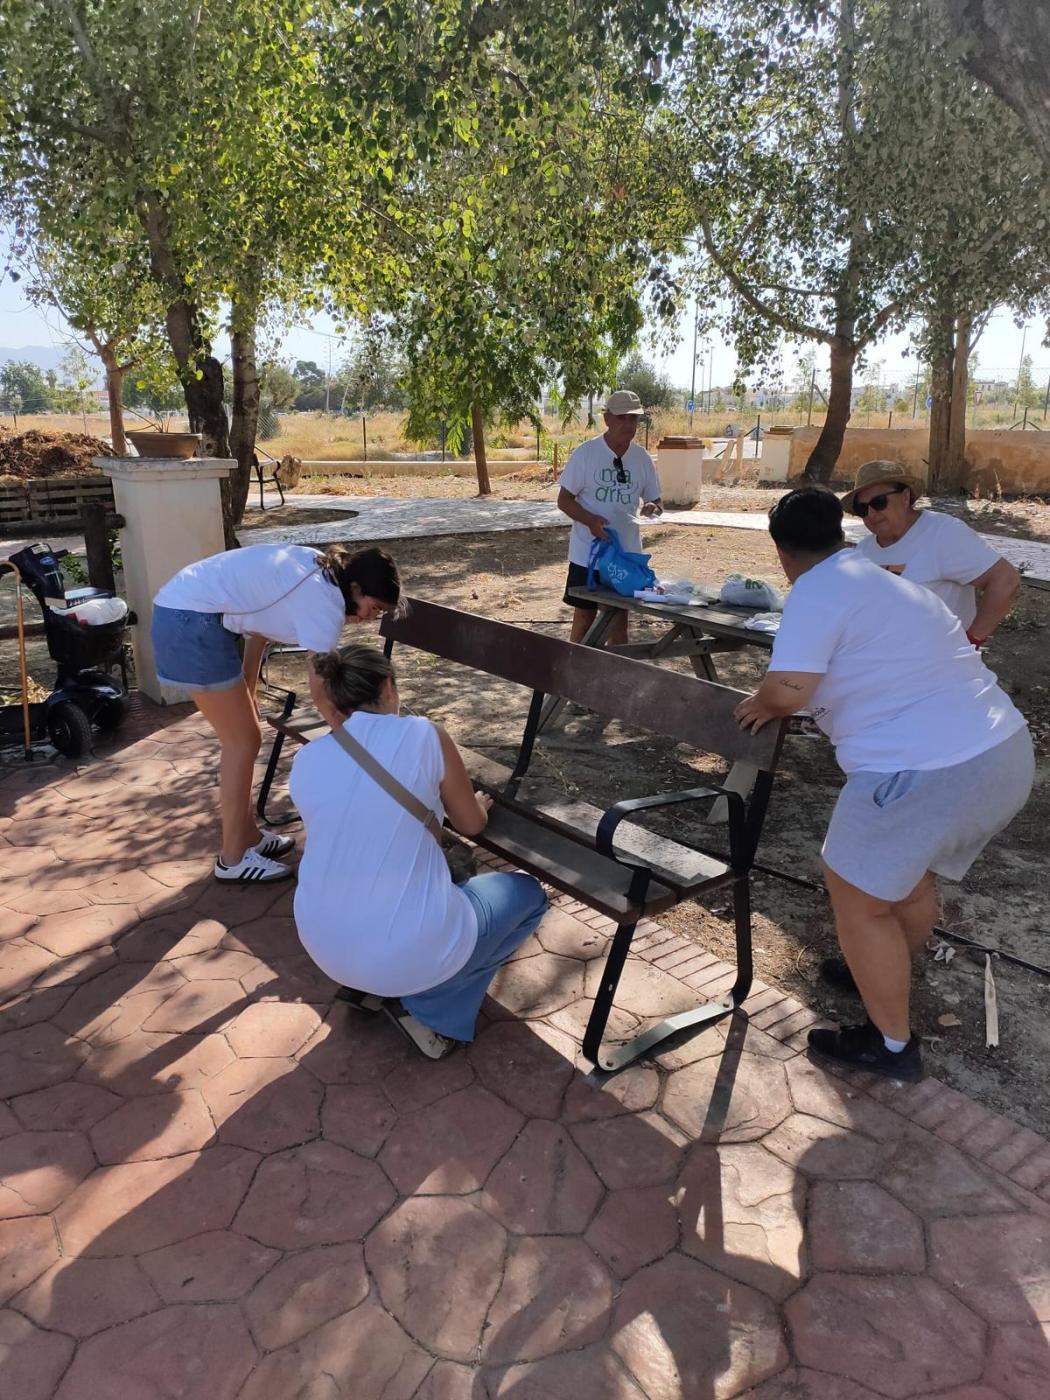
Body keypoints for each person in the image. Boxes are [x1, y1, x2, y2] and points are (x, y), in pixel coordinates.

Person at [735, 488, 1033, 1081]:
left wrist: (761, 703)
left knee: (857, 898)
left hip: (925, 768)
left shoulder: (816, 590)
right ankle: (875, 968)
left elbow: (789, 690)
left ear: (782, 551)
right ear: (840, 534)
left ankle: (891, 1047)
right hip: (1002, 752)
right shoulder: (887, 581)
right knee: (906, 880)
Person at [289, 644, 549, 1058]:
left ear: (334, 700)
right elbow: (471, 825)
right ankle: (434, 1009)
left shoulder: (308, 758)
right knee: (529, 895)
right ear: (388, 687)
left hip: (323, 944)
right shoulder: (424, 734)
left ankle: (373, 986)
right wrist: (476, 806)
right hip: (407, 950)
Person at [152, 543, 400, 883]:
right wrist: (345, 738)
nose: (370, 617)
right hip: (191, 623)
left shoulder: (321, 570)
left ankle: (248, 836)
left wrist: (249, 687)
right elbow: (321, 688)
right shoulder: (325, 603)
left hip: (186, 612)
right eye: (374, 607)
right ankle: (232, 859)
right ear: (356, 588)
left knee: (245, 738)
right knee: (242, 742)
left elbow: (259, 631)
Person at [843, 460, 1021, 643]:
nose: (871, 514)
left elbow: (1005, 580)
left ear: (905, 497)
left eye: (879, 502)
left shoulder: (943, 533)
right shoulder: (864, 550)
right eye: (862, 508)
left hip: (937, 658)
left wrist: (972, 640)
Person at [557, 388, 663, 644]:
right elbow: (564, 500)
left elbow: (657, 501)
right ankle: (575, 668)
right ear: (607, 418)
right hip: (588, 556)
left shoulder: (642, 458)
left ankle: (616, 670)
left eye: (633, 418)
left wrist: (653, 506)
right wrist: (590, 521)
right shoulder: (586, 454)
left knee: (619, 624)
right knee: (584, 622)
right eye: (621, 417)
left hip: (625, 557)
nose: (628, 424)